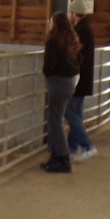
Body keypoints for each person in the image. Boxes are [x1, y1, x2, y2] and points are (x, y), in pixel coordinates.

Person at [41, 12, 80, 173]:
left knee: (55, 121)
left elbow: (49, 65)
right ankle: (56, 156)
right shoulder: (71, 40)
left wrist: (47, 73)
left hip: (57, 82)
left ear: (54, 24)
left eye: (51, 22)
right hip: (69, 81)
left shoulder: (52, 41)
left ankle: (63, 158)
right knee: (56, 119)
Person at [66, 0, 97, 161]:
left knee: (69, 112)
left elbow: (77, 55)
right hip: (84, 79)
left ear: (73, 13)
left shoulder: (80, 31)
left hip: (78, 79)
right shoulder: (86, 29)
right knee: (76, 114)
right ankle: (71, 148)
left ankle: (87, 145)